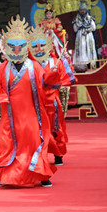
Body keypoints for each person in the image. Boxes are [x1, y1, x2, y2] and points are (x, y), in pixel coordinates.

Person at [0, 16, 59, 188]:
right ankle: (6, 174)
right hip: (10, 116)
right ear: (7, 47)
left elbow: (45, 86)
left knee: (33, 143)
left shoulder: (34, 66)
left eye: (20, 46)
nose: (16, 50)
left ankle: (41, 175)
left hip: (31, 115)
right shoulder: (3, 68)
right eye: (12, 47)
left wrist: (52, 76)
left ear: (25, 47)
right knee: (8, 144)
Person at [28, 27, 76, 166]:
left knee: (56, 129)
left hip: (51, 103)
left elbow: (67, 78)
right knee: (36, 130)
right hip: (34, 102)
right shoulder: (30, 63)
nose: (39, 49)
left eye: (42, 45)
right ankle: (38, 156)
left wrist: (56, 74)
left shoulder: (55, 62)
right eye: (35, 46)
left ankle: (58, 154)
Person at [72, 0, 97, 65]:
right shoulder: (76, 19)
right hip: (80, 35)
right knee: (81, 48)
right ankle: (81, 63)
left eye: (83, 10)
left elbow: (94, 28)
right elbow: (75, 29)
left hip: (88, 35)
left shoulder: (90, 18)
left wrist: (87, 31)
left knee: (89, 48)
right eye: (81, 10)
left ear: (86, 10)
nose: (82, 11)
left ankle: (91, 64)